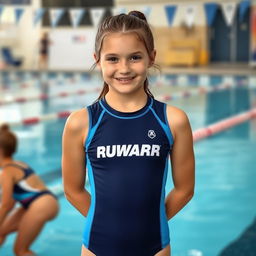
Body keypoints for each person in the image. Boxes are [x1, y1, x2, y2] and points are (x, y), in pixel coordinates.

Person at [62, 10, 195, 256]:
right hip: (96, 247)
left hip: (155, 247)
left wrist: (148, 219)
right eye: (112, 58)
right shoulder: (81, 123)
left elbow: (185, 189)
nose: (124, 68)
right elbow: (72, 190)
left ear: (151, 57)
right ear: (98, 60)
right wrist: (108, 220)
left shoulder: (172, 120)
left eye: (135, 57)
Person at [0, 124, 59, 256]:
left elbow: (7, 205)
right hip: (39, 203)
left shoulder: (7, 172)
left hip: (41, 205)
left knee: (21, 250)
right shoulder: (18, 164)